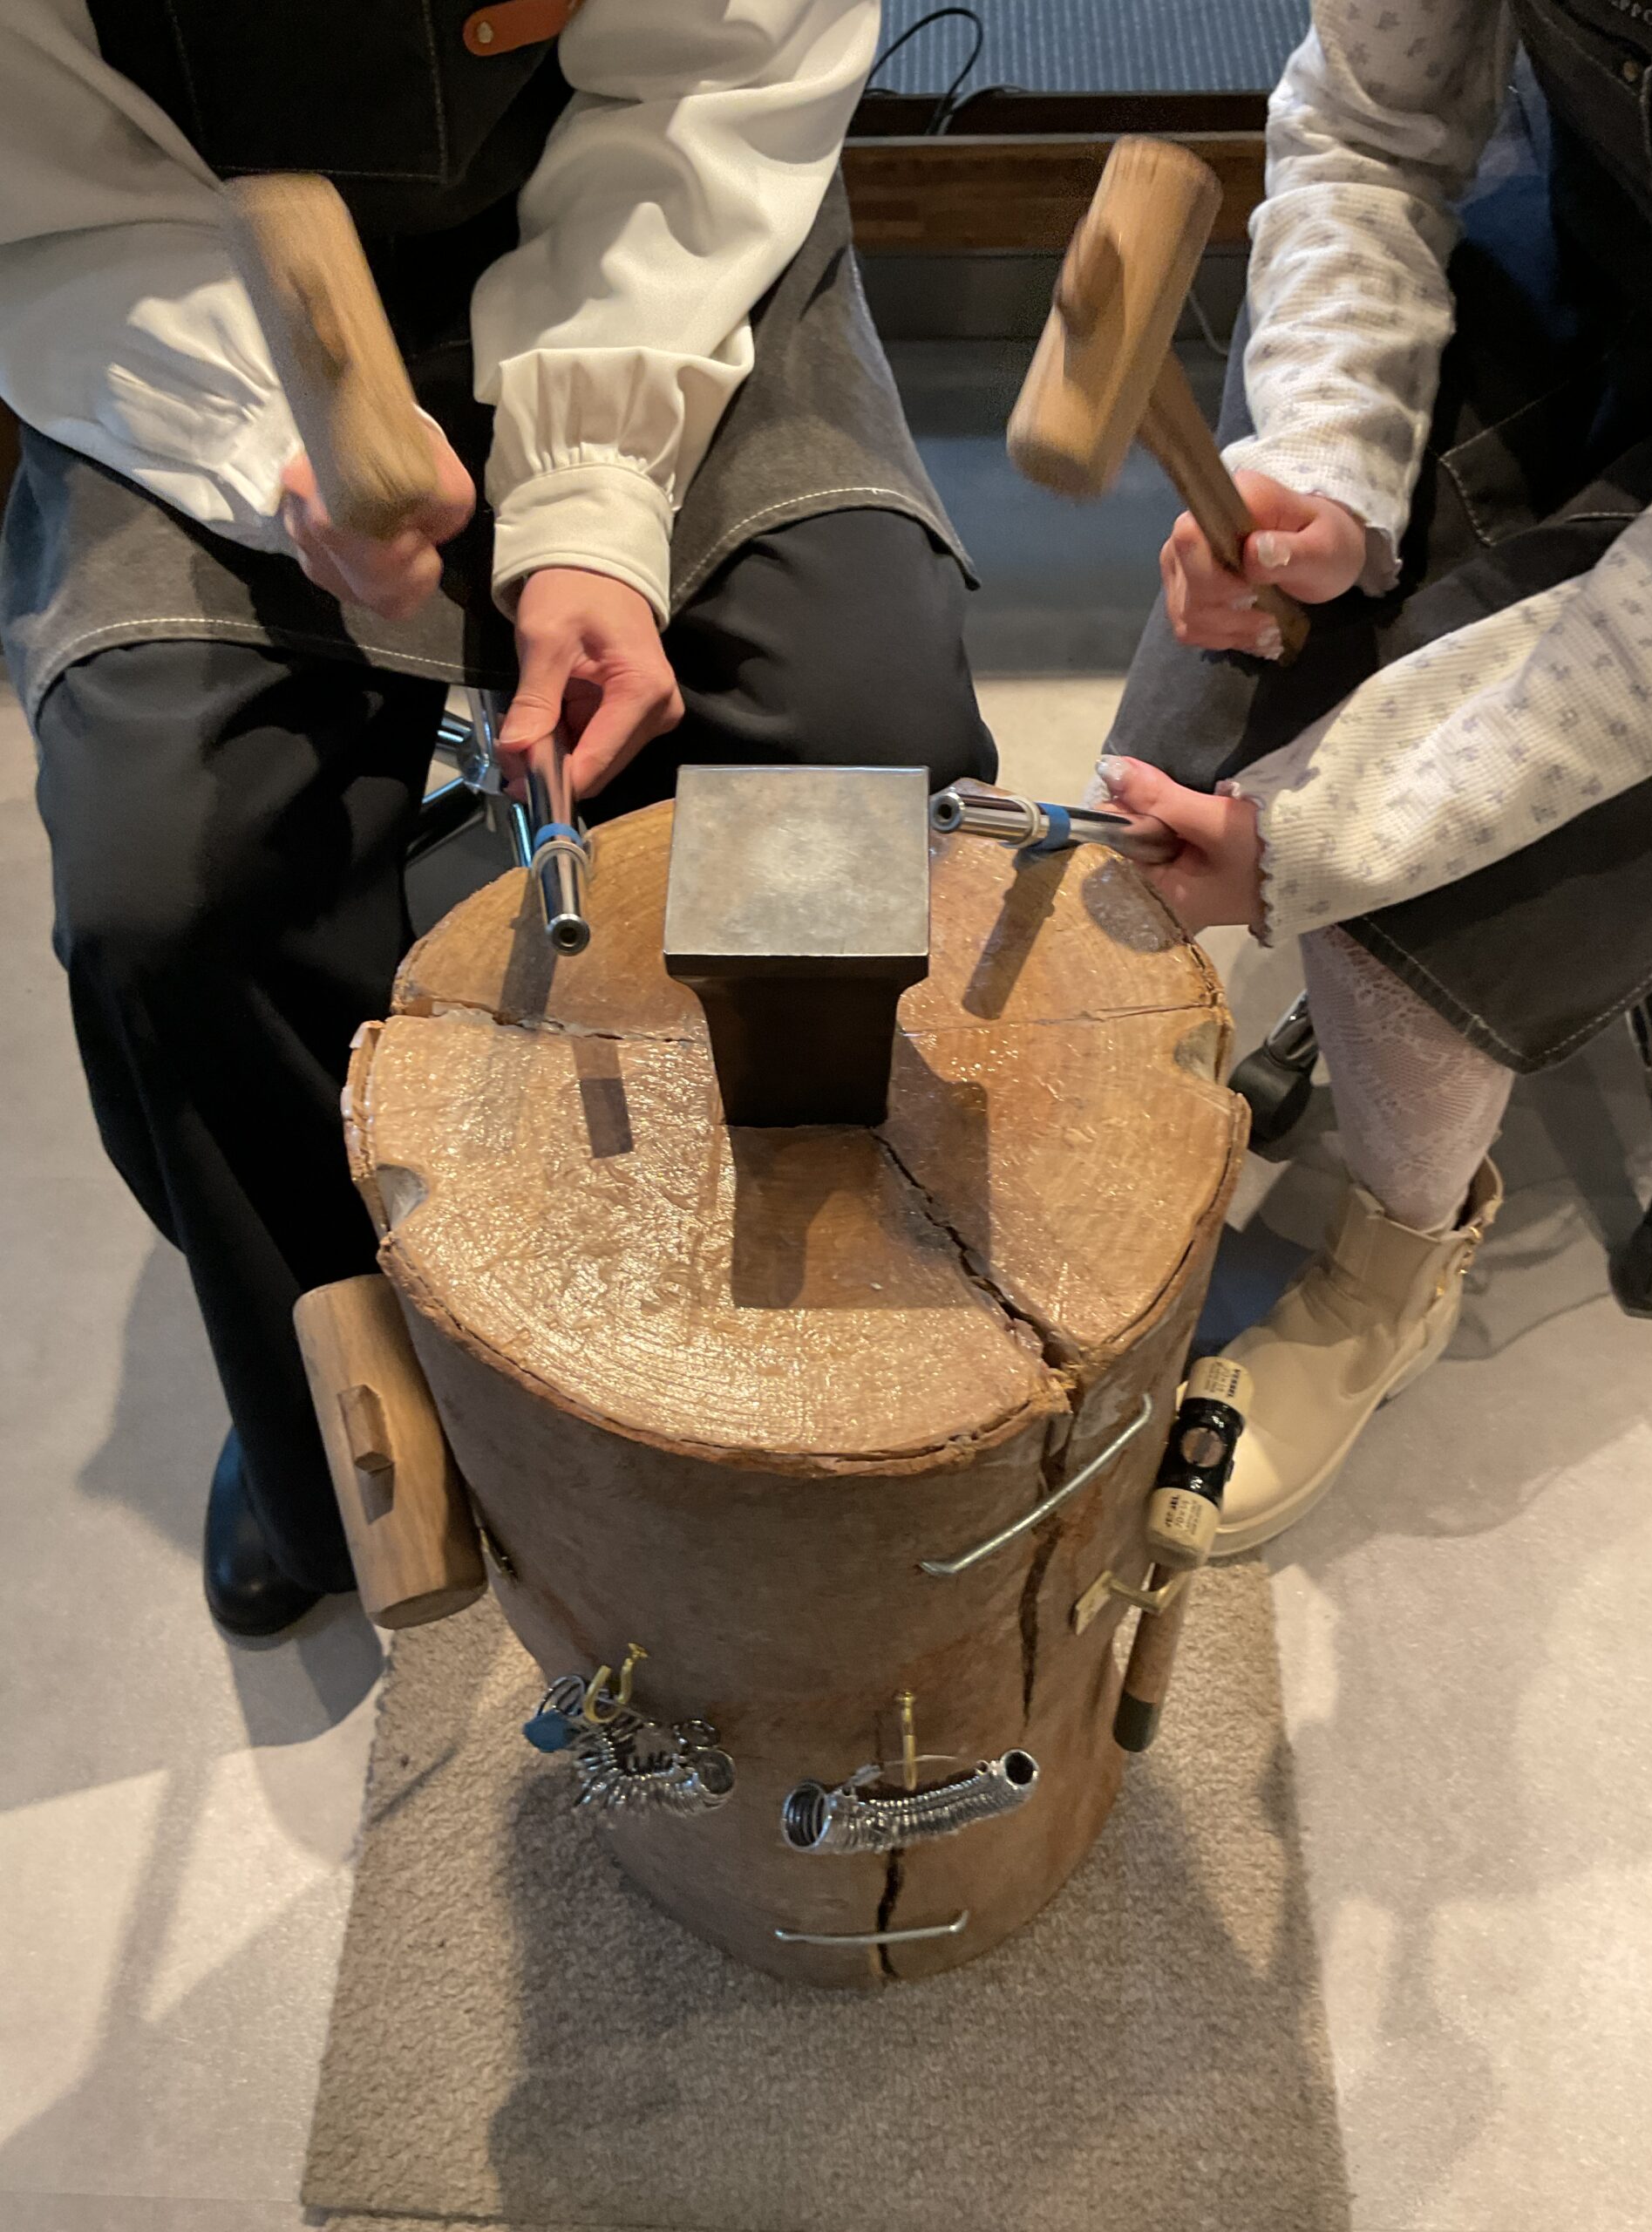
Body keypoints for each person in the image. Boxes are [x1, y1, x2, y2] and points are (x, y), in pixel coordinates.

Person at [0, 0, 995, 1635]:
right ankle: (342, 1398)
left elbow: (715, 75)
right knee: (170, 884)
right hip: (162, 285)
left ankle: (780, 1265)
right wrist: (262, 441)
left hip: (666, 217)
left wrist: (595, 491)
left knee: (848, 746)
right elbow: (50, 181)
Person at [1091, 3, 1652, 1553]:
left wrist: (1335, 835)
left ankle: (1389, 1272)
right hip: (1582, 248)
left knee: (1406, 910)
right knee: (1180, 769)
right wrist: (1327, 459)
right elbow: (1369, 128)